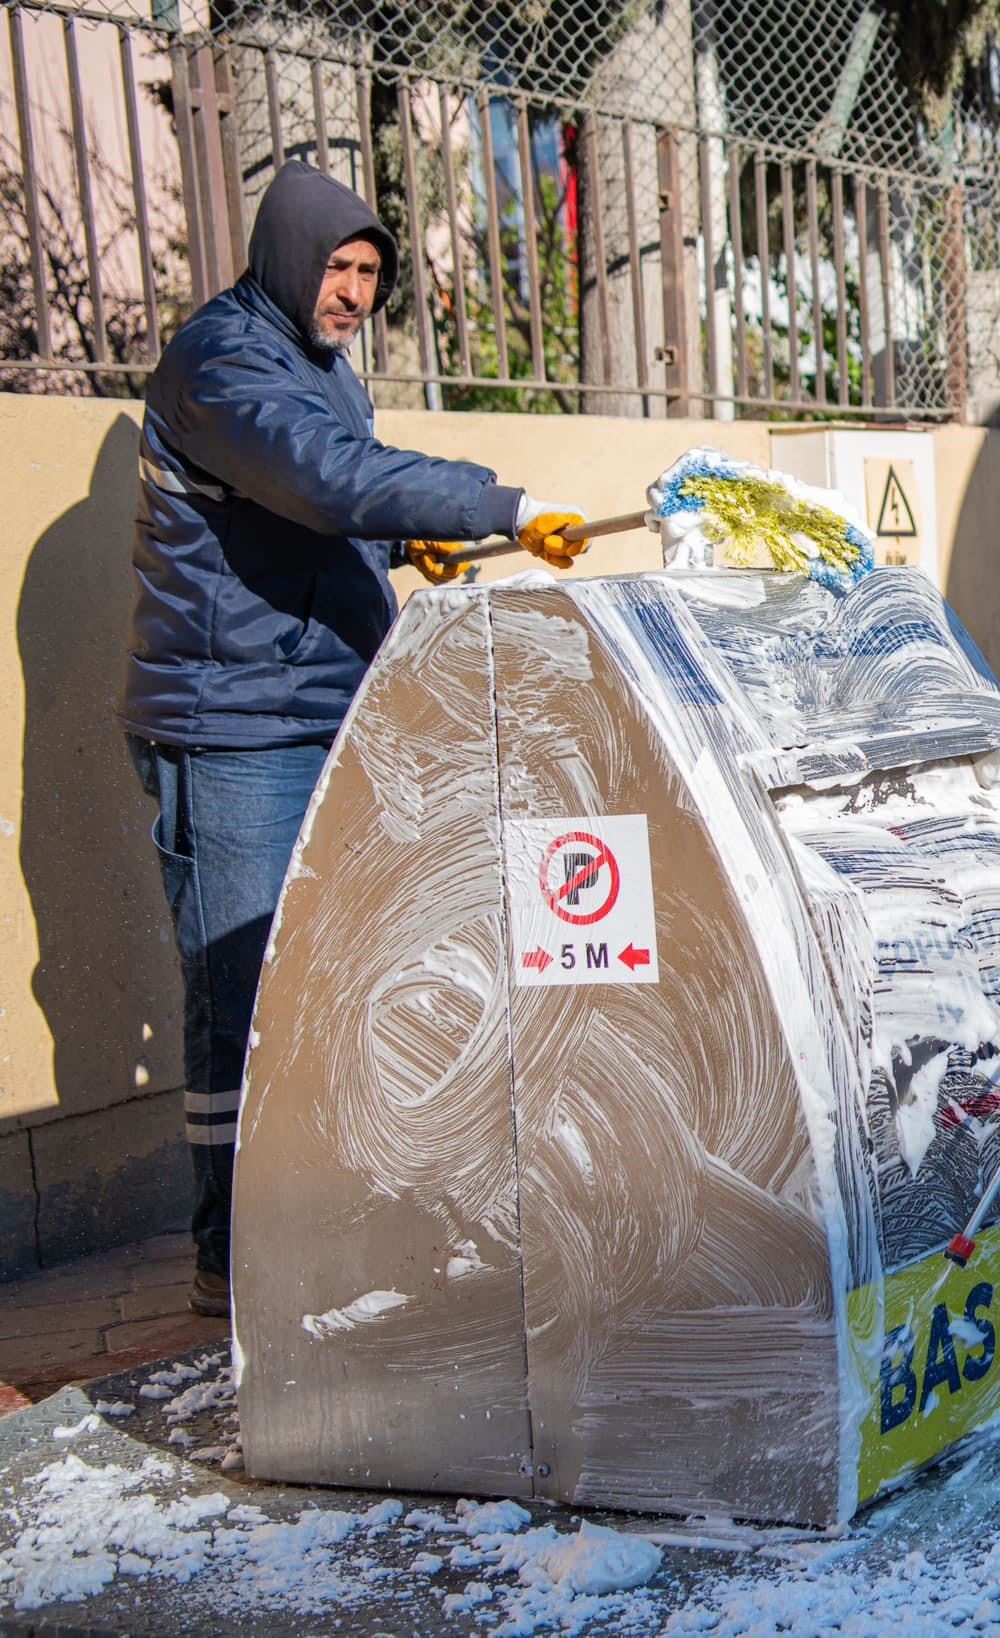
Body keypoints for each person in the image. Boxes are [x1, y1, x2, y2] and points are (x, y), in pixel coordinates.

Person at [120, 160, 589, 1316]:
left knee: (322, 983)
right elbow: (322, 480)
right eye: (336, 268)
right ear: (285, 257)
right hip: (233, 727)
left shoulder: (314, 367)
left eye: (370, 274)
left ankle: (304, 1237)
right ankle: (235, 1263)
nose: (351, 294)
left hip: (313, 710)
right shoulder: (219, 361)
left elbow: (306, 516)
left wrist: (394, 550)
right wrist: (497, 504)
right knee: (246, 990)